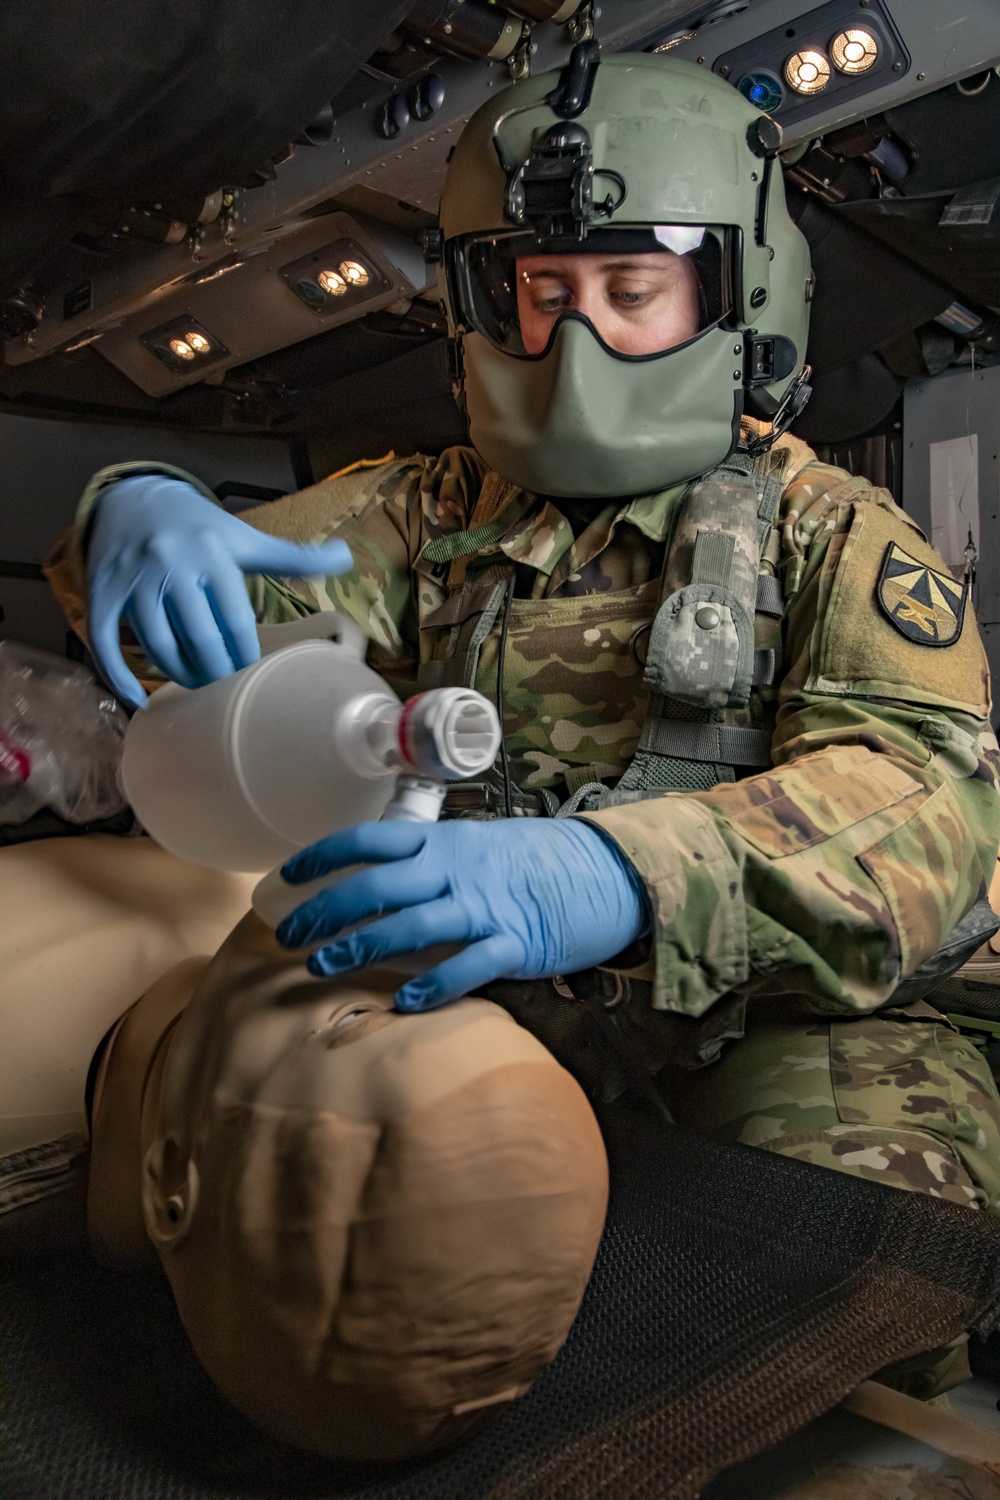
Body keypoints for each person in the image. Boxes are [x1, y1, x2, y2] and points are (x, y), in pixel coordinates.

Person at [46, 47, 1000, 1396]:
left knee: (842, 1254)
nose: (578, 343)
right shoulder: (425, 510)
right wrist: (124, 514)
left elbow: (932, 805)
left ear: (739, 301)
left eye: (633, 293)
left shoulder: (827, 532)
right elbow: (202, 631)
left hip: (784, 1018)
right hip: (489, 991)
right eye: (541, 296)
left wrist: (619, 874)